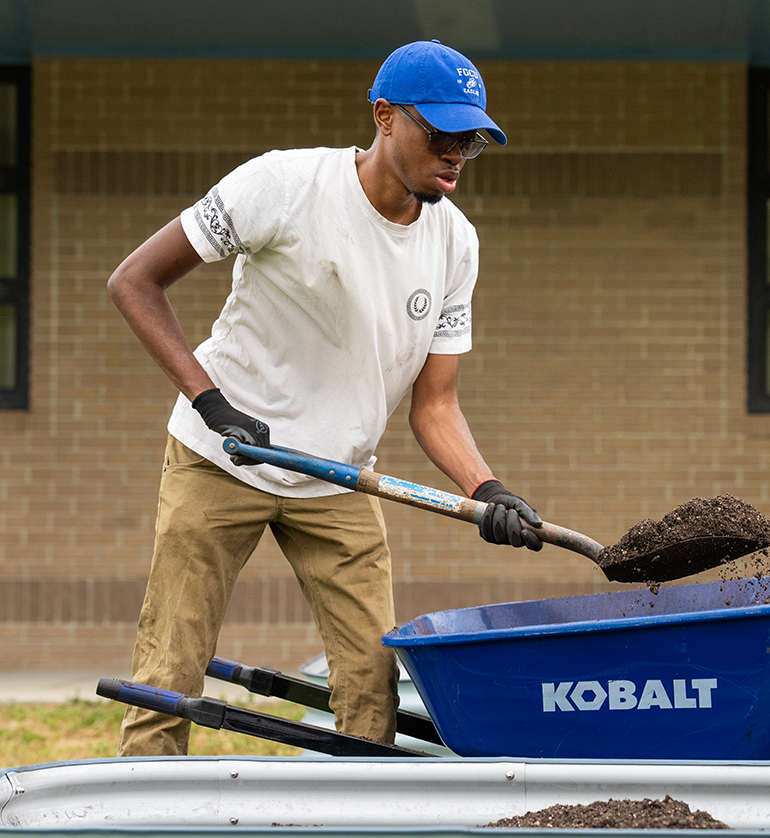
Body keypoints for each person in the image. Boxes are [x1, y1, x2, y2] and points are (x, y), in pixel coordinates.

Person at [108, 39, 543, 756]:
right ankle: (141, 814)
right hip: (222, 456)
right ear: (383, 116)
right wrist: (208, 398)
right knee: (169, 672)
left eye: (470, 140)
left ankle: (356, 815)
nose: (455, 154)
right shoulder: (283, 186)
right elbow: (134, 281)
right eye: (440, 133)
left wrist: (486, 488)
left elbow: (435, 405)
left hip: (341, 477)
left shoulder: (455, 243)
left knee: (369, 694)